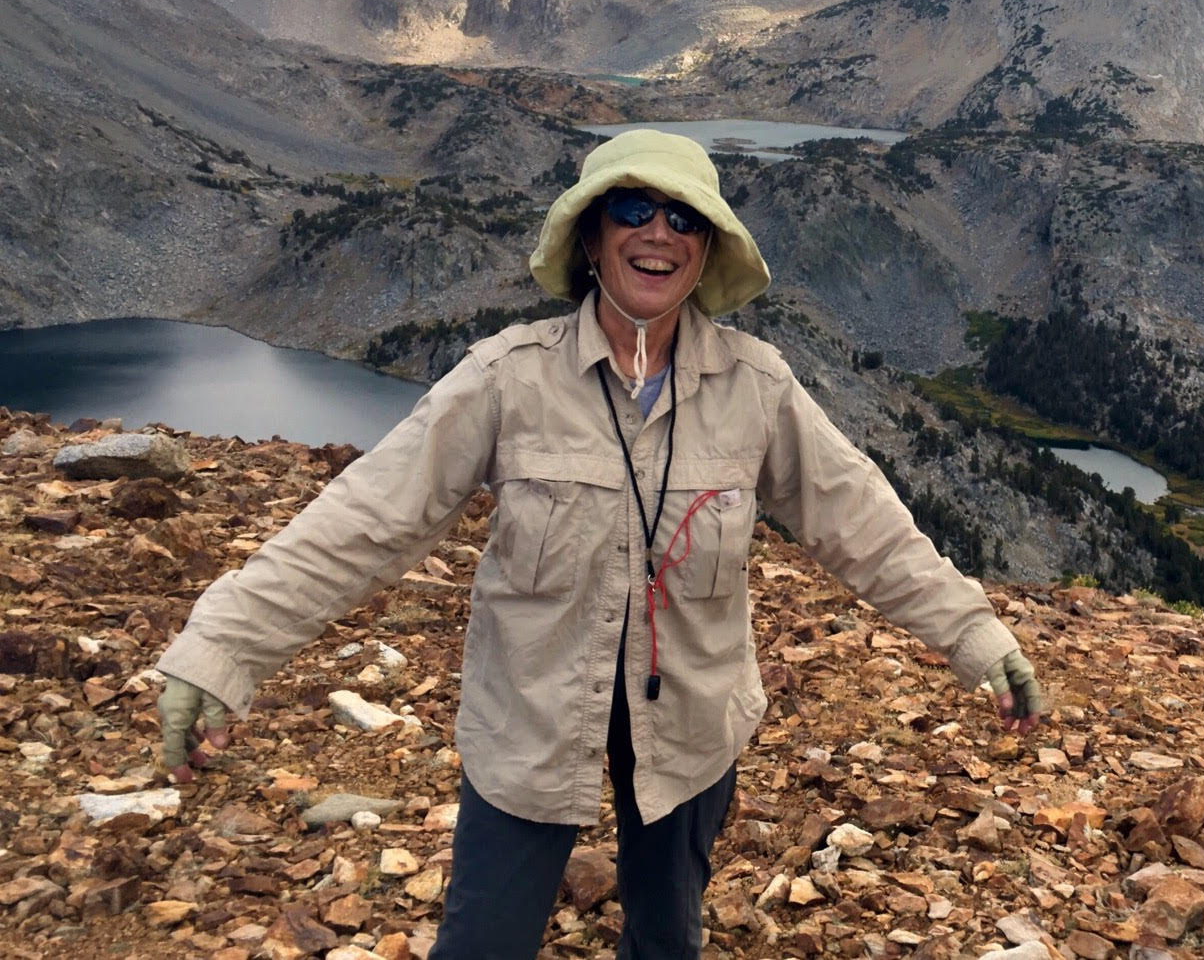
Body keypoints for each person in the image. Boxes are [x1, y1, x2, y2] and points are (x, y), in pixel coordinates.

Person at [155, 129, 1044, 959]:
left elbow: (868, 529)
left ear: (705, 253)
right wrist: (224, 648)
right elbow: (363, 522)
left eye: (685, 218)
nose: (658, 233)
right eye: (632, 210)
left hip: (690, 724)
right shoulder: (508, 378)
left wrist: (974, 635)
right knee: (482, 942)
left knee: (666, 940)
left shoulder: (756, 387)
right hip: (533, 721)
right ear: (588, 238)